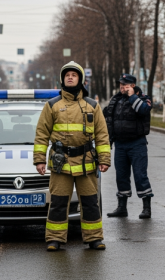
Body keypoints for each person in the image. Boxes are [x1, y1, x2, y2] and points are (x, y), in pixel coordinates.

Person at [34, 61, 111, 251]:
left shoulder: (93, 105)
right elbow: (42, 134)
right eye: (67, 74)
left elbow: (102, 134)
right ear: (62, 79)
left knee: (90, 203)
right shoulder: (52, 105)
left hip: (86, 163)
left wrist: (104, 159)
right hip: (61, 163)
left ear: (81, 79)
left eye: (74, 75)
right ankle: (55, 239)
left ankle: (94, 238)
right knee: (58, 203)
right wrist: (39, 160)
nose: (70, 77)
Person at [104, 74, 153, 219]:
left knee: (140, 175)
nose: (122, 87)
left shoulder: (144, 98)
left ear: (132, 86)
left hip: (137, 144)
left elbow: (143, 110)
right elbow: (108, 118)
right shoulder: (116, 99)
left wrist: (133, 97)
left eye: (125, 84)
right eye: (121, 84)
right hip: (120, 144)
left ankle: (146, 208)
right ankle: (122, 208)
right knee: (121, 177)